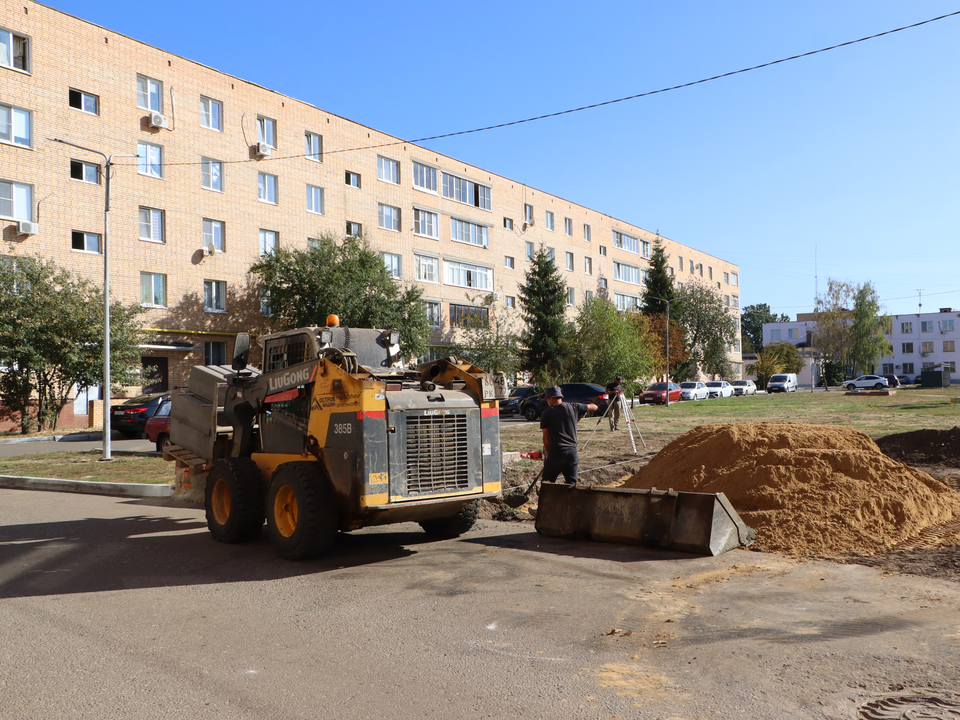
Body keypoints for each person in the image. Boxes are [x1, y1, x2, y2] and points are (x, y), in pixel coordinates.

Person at [539, 386, 598, 485]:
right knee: (571, 486)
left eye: (547, 399)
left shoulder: (546, 413)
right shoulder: (574, 407)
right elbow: (594, 407)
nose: (547, 402)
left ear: (552, 398)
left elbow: (546, 438)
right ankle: (571, 500)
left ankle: (548, 500)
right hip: (572, 454)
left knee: (547, 484)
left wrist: (549, 455)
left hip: (556, 453)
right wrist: (580, 410)